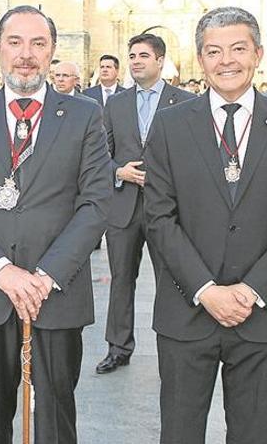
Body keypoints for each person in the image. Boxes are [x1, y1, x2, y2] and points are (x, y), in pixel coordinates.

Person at [143, 7, 267, 444]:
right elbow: (159, 217)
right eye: (214, 51)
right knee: (180, 433)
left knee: (251, 434)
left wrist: (251, 290)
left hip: (262, 314)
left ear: (258, 54)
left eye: (238, 48)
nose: (227, 60)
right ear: (200, 60)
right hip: (186, 314)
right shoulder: (168, 126)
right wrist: (207, 290)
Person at [0, 5, 111, 444]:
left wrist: (44, 276)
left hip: (57, 293)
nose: (26, 54)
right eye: (15, 42)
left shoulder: (84, 115)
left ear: (52, 51)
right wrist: (3, 272)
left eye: (38, 43)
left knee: (54, 418)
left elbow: (95, 203)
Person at [95, 33, 195, 375]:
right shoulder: (116, 104)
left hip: (167, 209)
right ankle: (118, 347)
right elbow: (99, 155)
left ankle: (175, 343)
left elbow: (195, 156)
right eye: (132, 55)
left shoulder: (184, 102)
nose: (136, 61)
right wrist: (119, 171)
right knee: (122, 278)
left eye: (143, 56)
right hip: (123, 207)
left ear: (160, 61)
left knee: (173, 278)